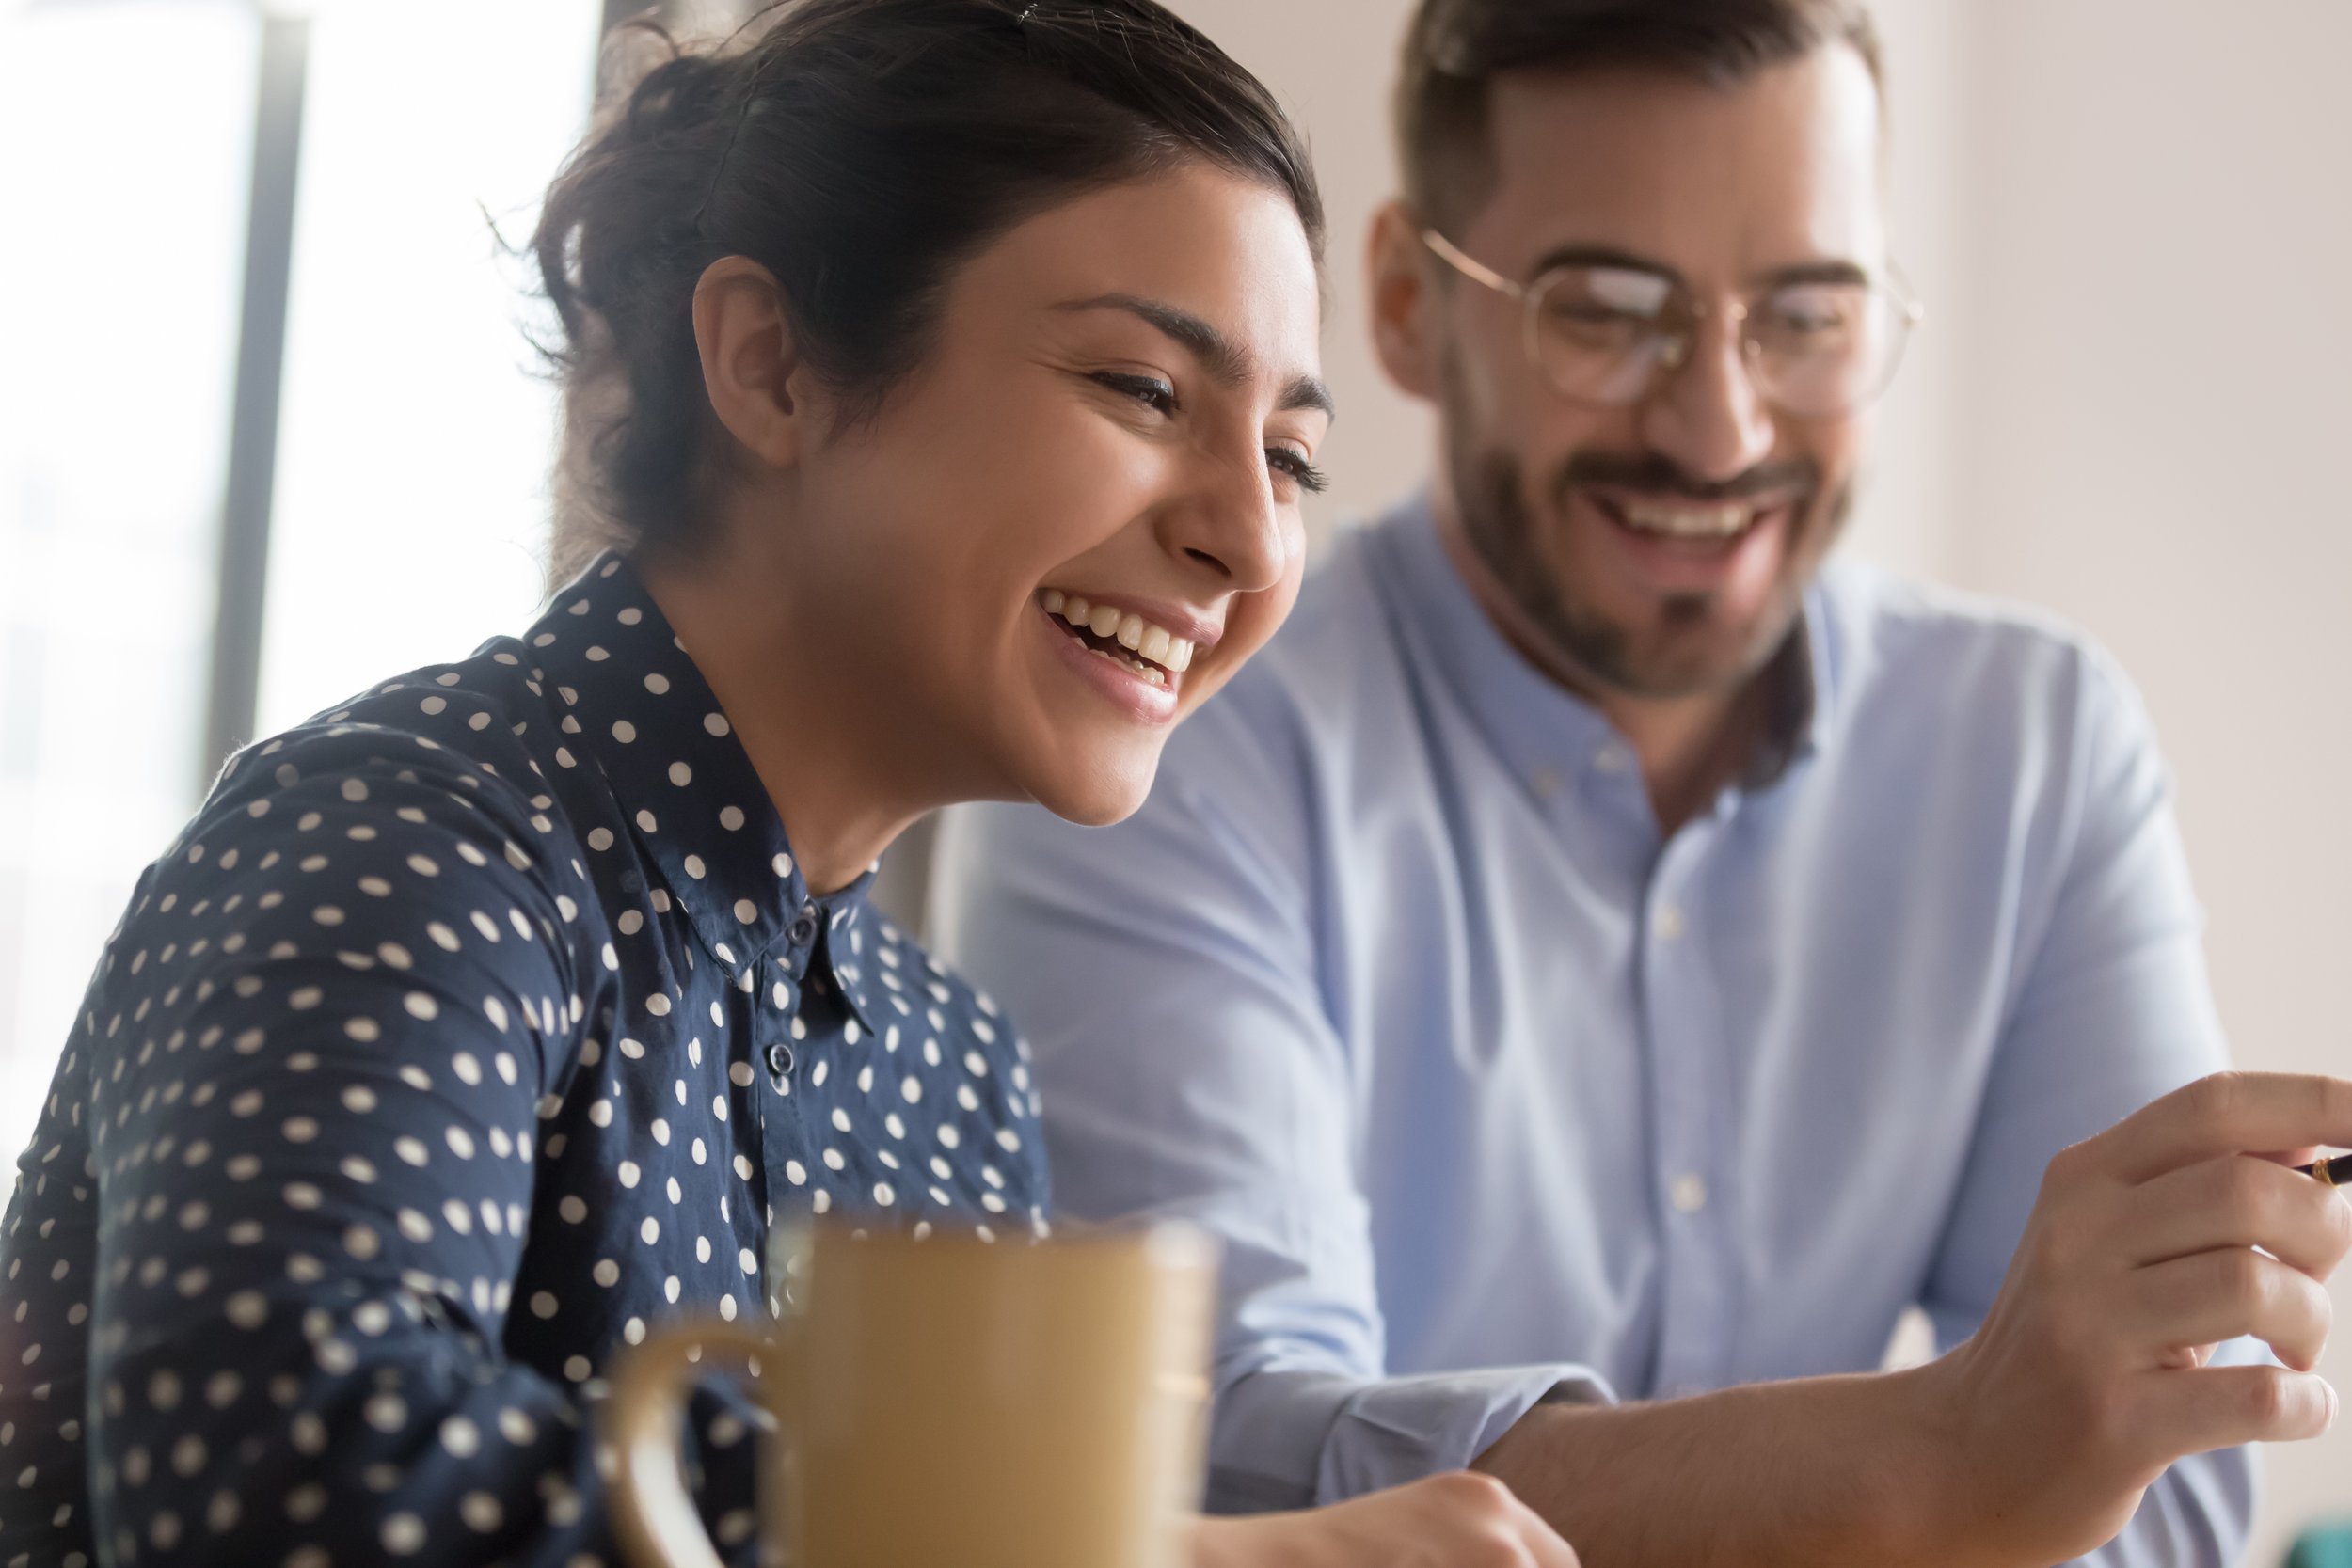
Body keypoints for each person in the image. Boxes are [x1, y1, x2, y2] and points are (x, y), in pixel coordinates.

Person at [0, 4, 1581, 1565]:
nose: (1247, 537)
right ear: (771, 366)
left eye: (1292, 459)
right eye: (1146, 391)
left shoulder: (952, 1077)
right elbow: (278, 1477)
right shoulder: (411, 839)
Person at [930, 1, 2352, 1563]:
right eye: (1607, 310)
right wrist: (1954, 1457)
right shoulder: (1164, 720)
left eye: (1805, 317)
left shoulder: (2036, 749)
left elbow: (2168, 1491)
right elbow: (1224, 1468)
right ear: (1407, 304)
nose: (1717, 426)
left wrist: (2012, 1451)